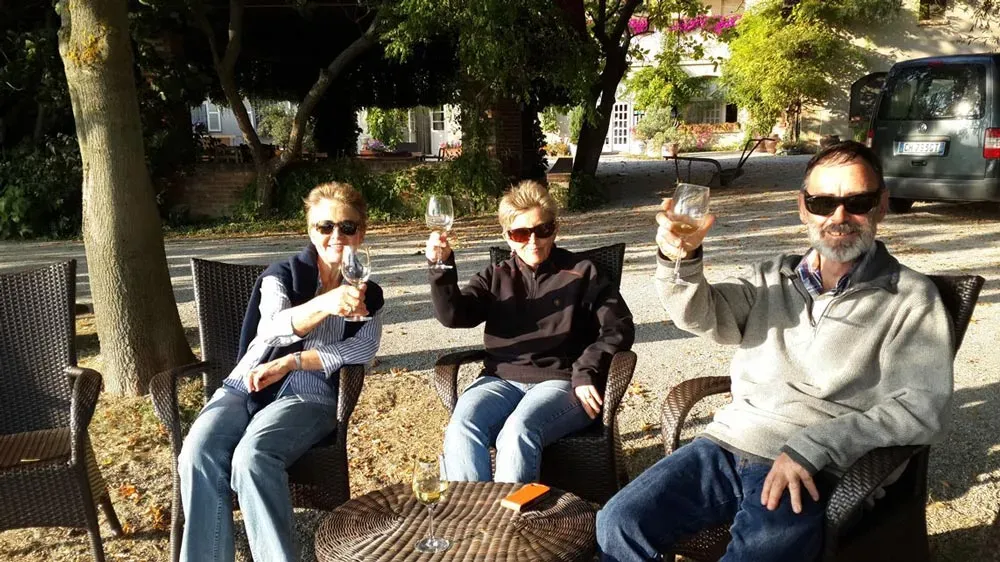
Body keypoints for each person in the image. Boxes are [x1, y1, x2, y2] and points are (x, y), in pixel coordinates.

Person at [597, 141, 955, 562]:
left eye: (857, 201)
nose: (839, 217)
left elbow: (922, 407)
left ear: (881, 205)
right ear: (803, 207)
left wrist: (816, 446)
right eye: (823, 202)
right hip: (728, 444)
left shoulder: (910, 298)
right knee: (618, 521)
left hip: (817, 466)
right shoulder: (771, 277)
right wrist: (682, 259)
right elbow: (701, 314)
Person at [177, 182, 384, 562]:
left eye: (347, 227)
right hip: (246, 383)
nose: (336, 235)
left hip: (308, 393)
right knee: (197, 451)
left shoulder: (369, 293)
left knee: (253, 457)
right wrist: (326, 303)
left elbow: (363, 348)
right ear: (310, 231)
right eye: (325, 227)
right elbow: (271, 325)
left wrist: (293, 361)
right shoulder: (282, 275)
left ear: (362, 233)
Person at [425, 180, 635, 483]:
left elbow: (618, 326)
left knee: (517, 432)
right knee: (462, 426)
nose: (533, 241)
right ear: (507, 237)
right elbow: (454, 315)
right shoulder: (496, 276)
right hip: (500, 380)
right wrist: (440, 266)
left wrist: (588, 369)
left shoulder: (584, 271)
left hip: (561, 381)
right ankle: (468, 522)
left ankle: (510, 526)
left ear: (555, 229)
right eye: (521, 233)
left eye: (543, 230)